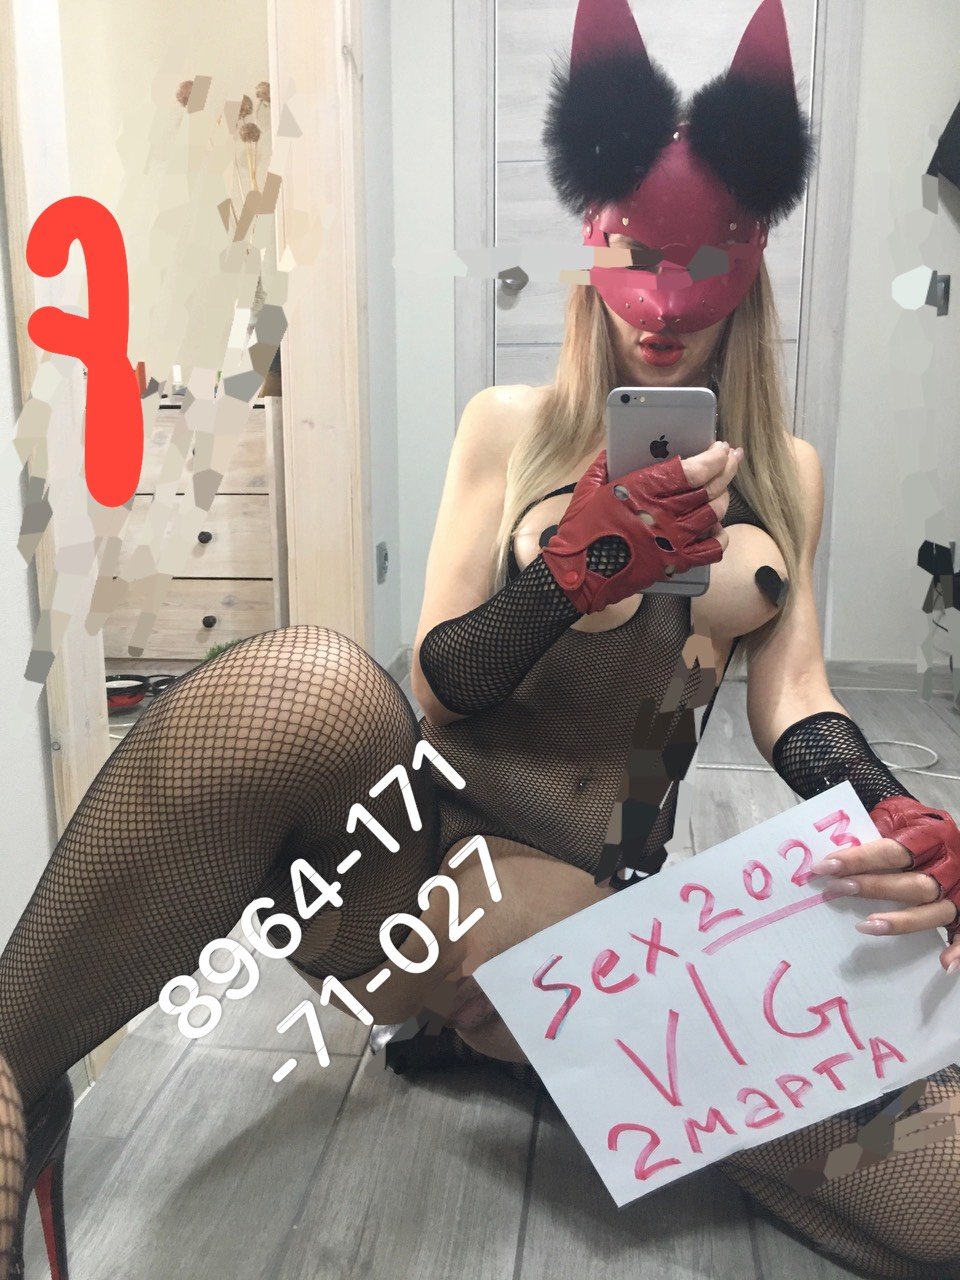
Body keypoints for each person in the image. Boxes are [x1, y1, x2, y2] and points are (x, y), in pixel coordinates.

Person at [1, 0, 959, 1277]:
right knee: (310, 683)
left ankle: (525, 1035)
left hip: (591, 899)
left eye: (702, 258)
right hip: (415, 869)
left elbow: (794, 696)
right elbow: (436, 684)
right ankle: (11, 1075)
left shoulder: (787, 466)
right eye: (636, 253)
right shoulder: (512, 425)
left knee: (939, 1170)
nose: (664, 299)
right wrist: (566, 575)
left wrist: (894, 803)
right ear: (591, 245)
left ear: (754, 257)